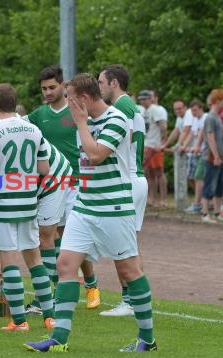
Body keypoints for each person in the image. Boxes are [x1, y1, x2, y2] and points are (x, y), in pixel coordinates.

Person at [24, 74, 156, 352]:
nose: (67, 103)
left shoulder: (117, 118)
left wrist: (82, 123)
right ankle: (59, 339)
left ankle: (147, 339)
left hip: (114, 208)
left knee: (129, 271)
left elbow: (96, 155)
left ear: (83, 98)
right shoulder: (83, 123)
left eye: (70, 97)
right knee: (65, 265)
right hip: (85, 206)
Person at [0, 83, 54, 331]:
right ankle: (50, 316)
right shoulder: (34, 129)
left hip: (2, 204)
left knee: (8, 261)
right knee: (35, 259)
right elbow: (44, 170)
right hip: (27, 203)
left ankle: (19, 321)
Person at [24, 66, 101, 310]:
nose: (47, 92)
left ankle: (91, 284)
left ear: (62, 85)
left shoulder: (78, 111)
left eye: (52, 87)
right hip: (52, 183)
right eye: (43, 89)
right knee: (48, 235)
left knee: (73, 236)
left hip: (77, 182)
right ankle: (52, 291)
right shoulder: (38, 115)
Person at [98, 64, 148, 317]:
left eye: (101, 83)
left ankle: (130, 301)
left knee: (123, 246)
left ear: (114, 83)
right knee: (129, 245)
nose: (99, 88)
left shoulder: (120, 108)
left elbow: (122, 138)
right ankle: (135, 300)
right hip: (135, 177)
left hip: (128, 179)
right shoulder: (131, 106)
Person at [198, 89, 223, 223]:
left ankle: (217, 213)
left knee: (219, 186)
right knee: (209, 184)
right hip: (212, 156)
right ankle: (205, 213)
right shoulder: (211, 117)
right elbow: (210, 138)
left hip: (219, 157)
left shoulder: (216, 117)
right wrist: (216, 156)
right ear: (217, 101)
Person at [139, 90, 168, 207]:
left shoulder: (155, 109)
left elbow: (163, 126)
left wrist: (162, 142)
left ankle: (163, 199)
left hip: (154, 145)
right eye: (141, 99)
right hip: (147, 144)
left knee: (159, 172)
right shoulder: (144, 110)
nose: (142, 101)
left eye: (144, 99)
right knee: (149, 173)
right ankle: (151, 198)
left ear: (149, 99)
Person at [182, 100, 207, 214]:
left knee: (199, 178)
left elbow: (202, 133)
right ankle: (202, 201)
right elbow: (192, 134)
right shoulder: (195, 120)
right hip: (195, 153)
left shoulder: (205, 117)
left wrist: (197, 146)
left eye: (195, 110)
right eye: (192, 111)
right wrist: (184, 146)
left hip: (203, 153)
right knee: (192, 177)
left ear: (201, 108)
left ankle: (199, 203)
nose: (193, 112)